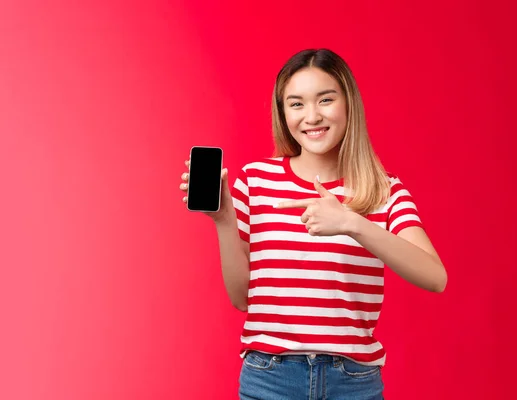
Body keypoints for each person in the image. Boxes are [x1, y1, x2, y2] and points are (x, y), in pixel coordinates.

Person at [179, 48, 447, 400]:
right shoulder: (255, 182)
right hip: (269, 378)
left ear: (348, 103)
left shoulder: (383, 190)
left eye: (325, 99)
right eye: (297, 103)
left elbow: (435, 277)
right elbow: (242, 298)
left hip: (353, 382)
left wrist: (354, 223)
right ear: (283, 113)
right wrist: (225, 222)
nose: (312, 116)